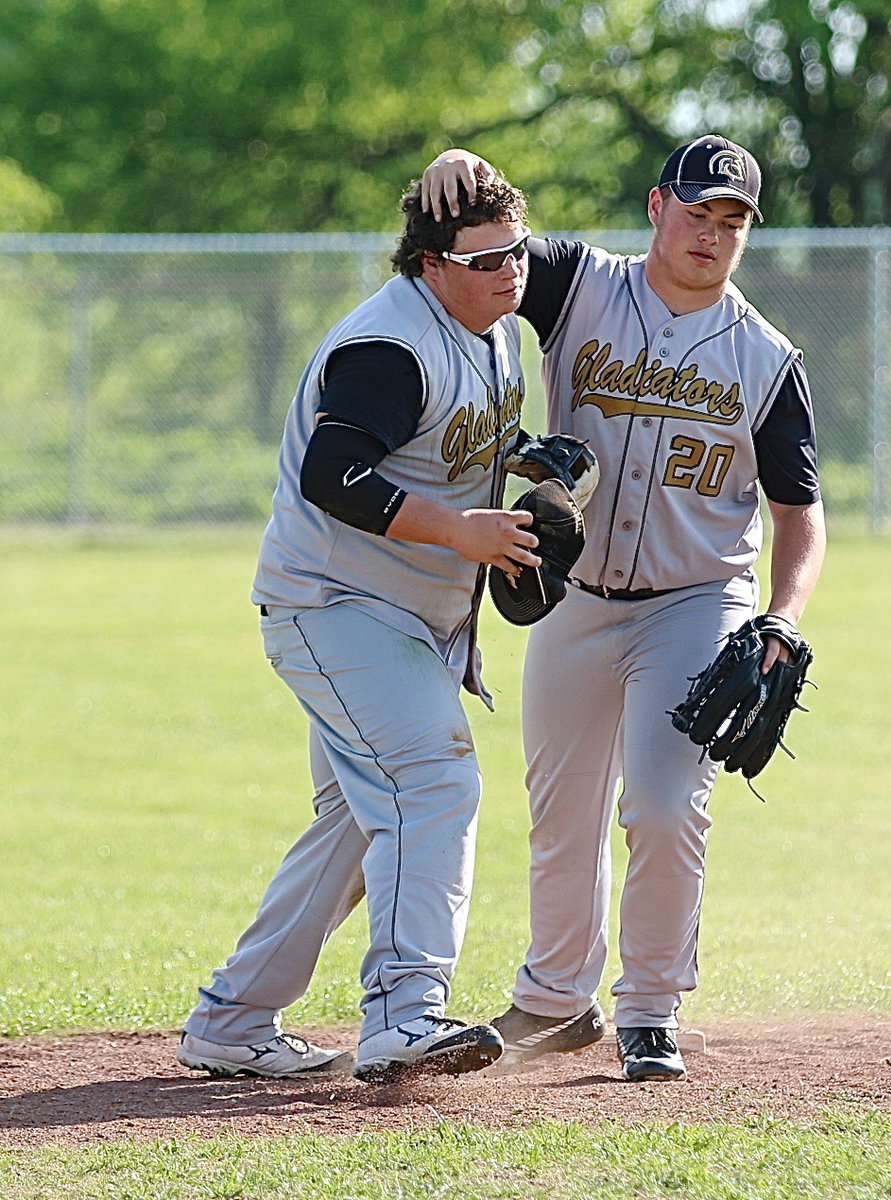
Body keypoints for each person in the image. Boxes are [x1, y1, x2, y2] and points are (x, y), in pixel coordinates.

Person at [421, 135, 826, 1082]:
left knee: (661, 799)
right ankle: (559, 999)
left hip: (695, 600)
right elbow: (490, 247)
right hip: (570, 594)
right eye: (697, 212)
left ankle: (650, 1007)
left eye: (732, 221)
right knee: (561, 813)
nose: (711, 234)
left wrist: (784, 614)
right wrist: (457, 160)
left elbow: (800, 518)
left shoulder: (766, 359)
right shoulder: (575, 284)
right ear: (657, 207)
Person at [177, 171, 540, 1084]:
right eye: (487, 258)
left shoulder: (488, 331)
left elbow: (452, 445)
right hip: (332, 605)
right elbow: (333, 476)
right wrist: (462, 531)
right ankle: (404, 1016)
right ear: (432, 265)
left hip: (406, 619)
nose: (510, 272)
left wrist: (534, 469)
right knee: (433, 779)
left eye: (518, 252)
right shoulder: (389, 345)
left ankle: (233, 1018)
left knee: (352, 823)